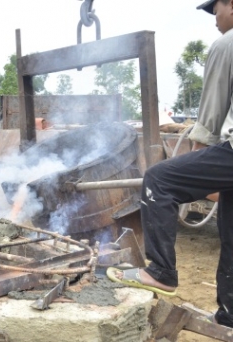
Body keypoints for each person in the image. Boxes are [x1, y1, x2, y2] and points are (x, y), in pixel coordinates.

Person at [108, 0, 233, 328]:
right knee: (231, 230)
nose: (214, 20)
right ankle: (230, 315)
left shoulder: (228, 43)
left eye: (215, 10)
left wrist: (196, 161)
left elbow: (210, 118)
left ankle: (161, 272)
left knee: (160, 179)